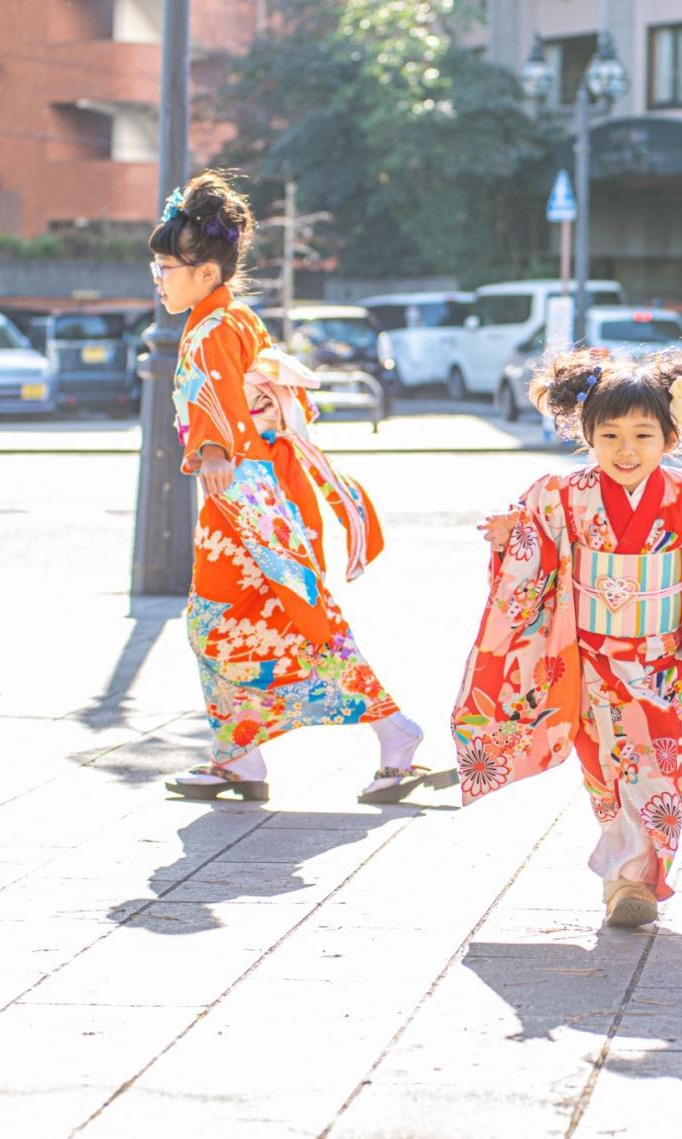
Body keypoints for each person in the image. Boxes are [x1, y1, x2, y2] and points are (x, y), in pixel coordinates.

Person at [456, 347, 682, 927]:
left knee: (657, 765)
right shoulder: (558, 495)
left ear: (672, 436)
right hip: (585, 660)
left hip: (663, 660)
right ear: (585, 433)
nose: (625, 450)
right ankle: (623, 868)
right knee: (603, 770)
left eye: (643, 435)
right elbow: (531, 552)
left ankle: (633, 881)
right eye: (609, 434)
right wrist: (509, 536)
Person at [149, 170, 424, 805]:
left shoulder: (214, 327)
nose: (159, 278)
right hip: (256, 488)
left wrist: (214, 446)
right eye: (158, 267)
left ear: (206, 275)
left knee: (274, 617)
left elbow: (219, 399)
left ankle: (392, 729)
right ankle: (240, 755)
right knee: (236, 618)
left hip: (242, 493)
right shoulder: (237, 318)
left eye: (167, 267)